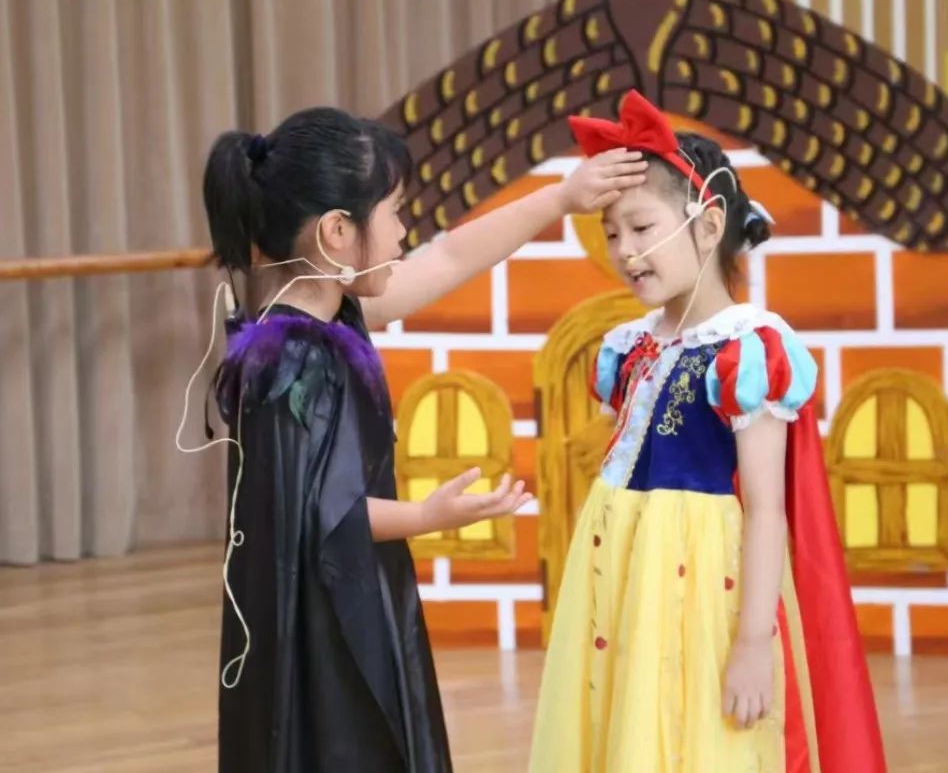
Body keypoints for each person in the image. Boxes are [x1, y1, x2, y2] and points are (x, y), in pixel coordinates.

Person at [196, 105, 647, 772]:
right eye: (395, 213)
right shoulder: (292, 358)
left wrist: (561, 198)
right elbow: (323, 516)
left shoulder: (331, 316)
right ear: (337, 232)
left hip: (348, 594)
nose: (406, 233)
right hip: (325, 627)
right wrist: (431, 515)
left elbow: (452, 256)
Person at [528, 90, 885, 773]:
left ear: (708, 222)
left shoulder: (747, 350)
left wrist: (753, 641)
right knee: (628, 724)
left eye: (641, 226)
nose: (625, 251)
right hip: (625, 571)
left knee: (694, 733)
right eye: (612, 234)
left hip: (700, 588)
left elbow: (767, 508)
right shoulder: (630, 348)